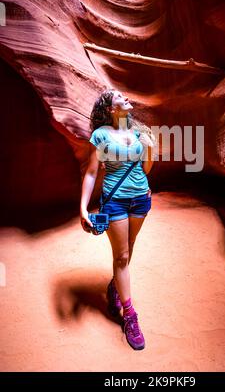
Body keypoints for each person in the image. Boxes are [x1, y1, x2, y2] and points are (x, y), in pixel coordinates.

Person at [80, 88, 155, 350]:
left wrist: (149, 150)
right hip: (115, 200)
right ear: (112, 110)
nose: (126, 98)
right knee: (121, 257)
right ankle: (130, 315)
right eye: (119, 97)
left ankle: (114, 287)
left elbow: (146, 169)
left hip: (141, 198)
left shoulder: (138, 133)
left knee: (128, 250)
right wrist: (83, 207)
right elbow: (91, 173)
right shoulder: (100, 135)